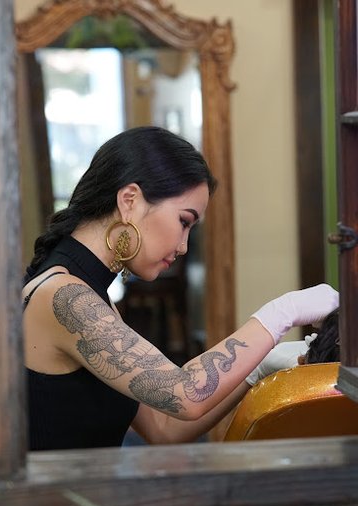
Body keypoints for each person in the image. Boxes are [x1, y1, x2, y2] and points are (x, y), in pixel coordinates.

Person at [22, 126, 339, 450]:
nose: (184, 246)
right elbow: (183, 393)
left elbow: (164, 429)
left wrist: (256, 369)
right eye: (184, 221)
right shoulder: (63, 296)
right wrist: (284, 312)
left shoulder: (91, 296)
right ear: (129, 200)